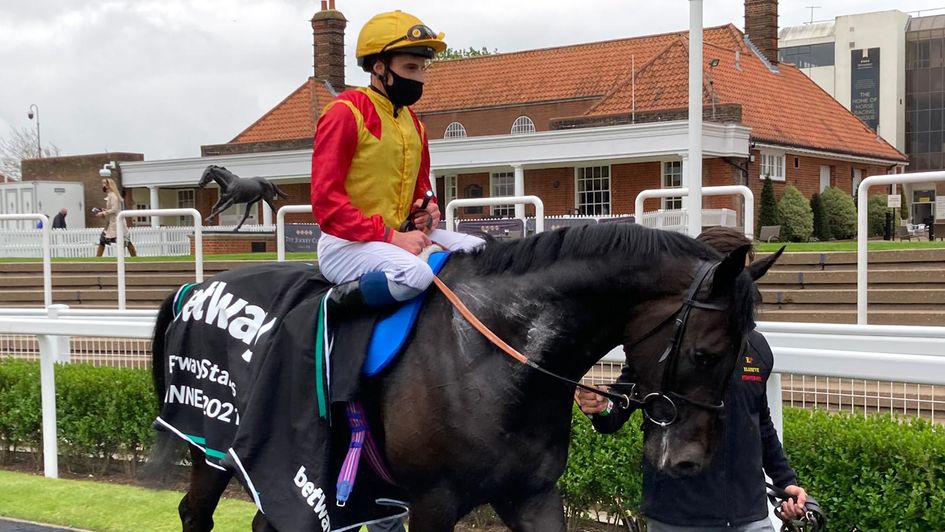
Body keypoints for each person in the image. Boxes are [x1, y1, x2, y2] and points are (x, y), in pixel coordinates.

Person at [576, 226, 809, 532]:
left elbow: (759, 422)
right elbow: (615, 412)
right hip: (679, 517)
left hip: (750, 516)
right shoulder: (665, 348)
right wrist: (601, 405)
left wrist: (786, 482)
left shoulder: (757, 347)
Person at [311, 10, 483, 316]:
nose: (420, 78)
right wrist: (392, 237)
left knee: (479, 250)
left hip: (399, 237)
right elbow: (327, 205)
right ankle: (329, 312)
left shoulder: (415, 124)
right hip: (345, 245)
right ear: (379, 67)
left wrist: (427, 213)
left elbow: (423, 192)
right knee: (416, 275)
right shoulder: (344, 113)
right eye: (410, 67)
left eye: (422, 68)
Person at [95, 177, 137, 257]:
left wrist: (104, 213)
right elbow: (112, 209)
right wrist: (104, 210)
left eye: (104, 184)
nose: (102, 186)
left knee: (126, 241)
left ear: (108, 185)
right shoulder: (110, 195)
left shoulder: (113, 196)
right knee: (102, 240)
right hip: (111, 223)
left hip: (117, 223)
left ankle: (134, 257)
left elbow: (114, 209)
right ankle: (98, 258)